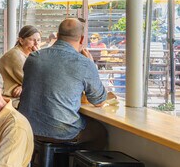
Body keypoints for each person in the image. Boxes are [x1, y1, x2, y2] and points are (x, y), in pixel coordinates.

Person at [19, 18, 114, 148]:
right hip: (60, 131)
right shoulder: (84, 63)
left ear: (58, 36)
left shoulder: (34, 57)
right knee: (99, 132)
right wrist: (91, 65)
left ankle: (50, 166)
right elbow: (99, 101)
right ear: (81, 39)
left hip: (27, 126)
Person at [0, 25, 41, 99]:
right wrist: (25, 86)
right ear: (21, 41)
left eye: (38, 40)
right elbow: (37, 83)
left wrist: (23, 86)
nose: (36, 44)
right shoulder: (16, 55)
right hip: (4, 99)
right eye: (32, 40)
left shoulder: (28, 55)